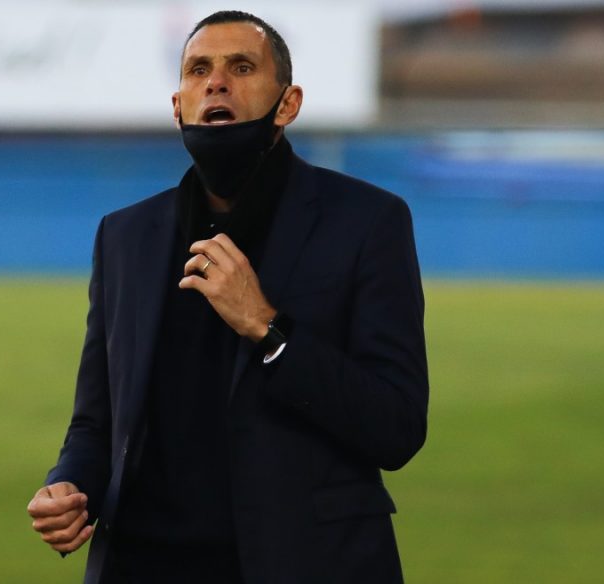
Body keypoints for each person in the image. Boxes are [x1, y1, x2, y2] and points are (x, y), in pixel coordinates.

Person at [25, 10, 428, 584]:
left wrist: (269, 329)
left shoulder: (367, 221)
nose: (216, 82)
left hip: (307, 564)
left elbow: (397, 427)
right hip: (145, 565)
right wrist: (70, 485)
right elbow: (97, 424)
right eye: (198, 70)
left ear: (288, 104)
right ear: (178, 106)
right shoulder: (126, 237)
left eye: (241, 67)